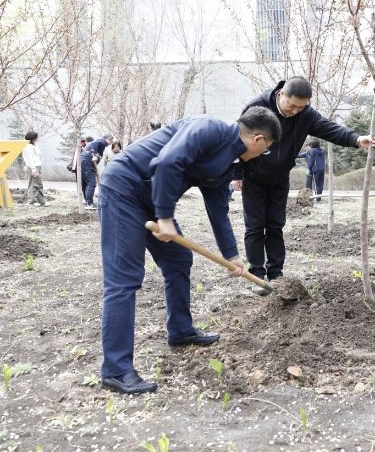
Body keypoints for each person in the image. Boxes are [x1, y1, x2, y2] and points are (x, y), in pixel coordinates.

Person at [98, 107, 281, 395]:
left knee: (179, 259)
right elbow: (166, 161)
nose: (263, 154)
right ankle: (116, 369)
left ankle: (181, 331)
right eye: (267, 149)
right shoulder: (208, 129)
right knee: (125, 279)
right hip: (124, 188)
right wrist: (165, 216)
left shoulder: (227, 161)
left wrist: (231, 256)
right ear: (258, 139)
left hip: (150, 198)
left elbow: (218, 209)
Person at [232, 76, 375, 293]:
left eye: (301, 107)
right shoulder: (258, 108)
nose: (295, 111)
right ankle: (257, 274)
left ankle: (275, 273)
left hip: (280, 179)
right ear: (281, 95)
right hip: (254, 177)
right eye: (292, 106)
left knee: (275, 225)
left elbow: (328, 128)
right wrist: (237, 174)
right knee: (254, 226)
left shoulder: (305, 114)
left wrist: (356, 139)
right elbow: (238, 139)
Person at [81, 134, 114, 209]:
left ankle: (88, 201)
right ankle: (89, 203)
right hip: (88, 163)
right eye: (111, 141)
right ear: (108, 139)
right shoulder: (101, 142)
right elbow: (94, 145)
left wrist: (95, 169)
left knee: (89, 183)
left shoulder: (101, 145)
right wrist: (94, 155)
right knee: (92, 183)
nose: (110, 143)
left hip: (88, 164)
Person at [22, 131, 51, 207]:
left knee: (39, 184)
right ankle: (31, 201)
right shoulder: (27, 146)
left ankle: (42, 201)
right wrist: (33, 169)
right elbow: (29, 159)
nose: (37, 139)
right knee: (33, 184)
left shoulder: (34, 145)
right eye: (36, 137)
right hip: (32, 167)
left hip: (37, 166)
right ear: (33, 138)